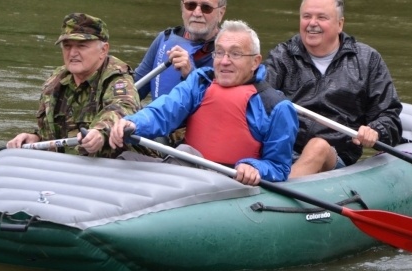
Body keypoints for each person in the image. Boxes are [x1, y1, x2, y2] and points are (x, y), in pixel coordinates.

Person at [110, 20, 298, 186]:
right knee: (124, 159)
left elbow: (279, 167)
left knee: (184, 152)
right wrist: (134, 123)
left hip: (230, 184)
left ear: (255, 62)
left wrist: (254, 167)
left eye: (235, 54)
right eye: (220, 53)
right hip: (187, 171)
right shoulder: (200, 82)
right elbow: (165, 110)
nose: (224, 61)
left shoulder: (276, 107)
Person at [264, 0, 402, 178]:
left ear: (340, 24)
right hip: (284, 151)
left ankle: (281, 190)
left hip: (336, 158)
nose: (312, 23)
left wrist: (375, 130)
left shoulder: (367, 60)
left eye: (321, 17)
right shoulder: (282, 56)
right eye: (306, 16)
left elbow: (389, 116)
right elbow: (258, 102)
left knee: (318, 147)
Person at [7, 13, 140, 158]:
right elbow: (53, 134)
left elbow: (122, 109)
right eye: (67, 46)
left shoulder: (118, 79)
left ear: (103, 50)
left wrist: (99, 132)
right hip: (66, 164)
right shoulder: (55, 82)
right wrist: (35, 138)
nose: (72, 53)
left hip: (114, 163)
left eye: (81, 46)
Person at [133, 0, 228, 100]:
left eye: (206, 7)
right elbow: (134, 90)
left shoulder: (230, 52)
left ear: (221, 13)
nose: (197, 13)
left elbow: (224, 104)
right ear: (182, 8)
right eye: (190, 5)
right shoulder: (164, 39)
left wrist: (190, 74)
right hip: (158, 113)